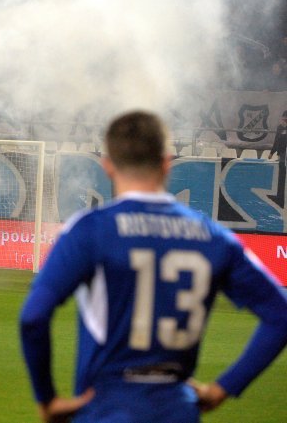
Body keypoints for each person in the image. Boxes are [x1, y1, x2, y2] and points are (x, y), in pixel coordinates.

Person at [19, 110, 287, 423]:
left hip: (108, 408)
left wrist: (47, 399)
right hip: (176, 409)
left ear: (107, 164)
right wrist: (222, 388)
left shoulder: (91, 229)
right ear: (167, 162)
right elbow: (280, 315)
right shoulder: (214, 237)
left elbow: (33, 317)